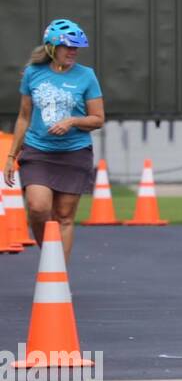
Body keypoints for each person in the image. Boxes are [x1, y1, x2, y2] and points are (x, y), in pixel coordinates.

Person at [3, 19, 106, 258]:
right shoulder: (33, 73)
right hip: (38, 152)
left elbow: (98, 119)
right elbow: (23, 117)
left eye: (76, 47)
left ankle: (58, 275)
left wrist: (72, 121)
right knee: (38, 209)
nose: (73, 52)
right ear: (51, 47)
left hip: (74, 153)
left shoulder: (87, 76)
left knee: (64, 217)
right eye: (68, 46)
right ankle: (51, 258)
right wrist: (11, 156)